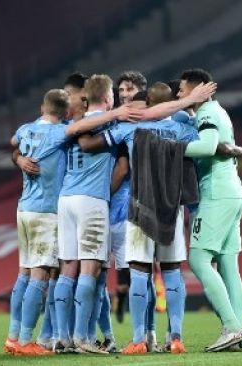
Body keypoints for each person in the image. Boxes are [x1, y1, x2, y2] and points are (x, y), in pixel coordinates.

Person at [77, 81, 219, 354]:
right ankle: (175, 337)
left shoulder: (131, 127)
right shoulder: (182, 128)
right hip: (172, 208)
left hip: (140, 206)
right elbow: (207, 146)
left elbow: (91, 143)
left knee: (140, 272)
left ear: (148, 104)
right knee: (172, 272)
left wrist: (80, 133)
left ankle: (139, 339)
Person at [4, 87, 135, 356]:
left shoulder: (25, 128)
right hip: (46, 211)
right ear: (65, 113)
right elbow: (83, 129)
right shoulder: (58, 132)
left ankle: (13, 336)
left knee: (24, 274)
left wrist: (19, 159)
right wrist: (117, 113)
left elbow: (12, 143)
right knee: (40, 276)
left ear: (42, 108)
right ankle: (26, 341)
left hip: (24, 209)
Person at [170, 69, 242, 353]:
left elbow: (206, 147)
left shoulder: (206, 112)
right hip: (233, 191)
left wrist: (171, 147)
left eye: (181, 90)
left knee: (199, 259)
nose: (179, 95)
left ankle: (231, 327)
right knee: (229, 265)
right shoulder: (220, 111)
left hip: (216, 194)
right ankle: (238, 330)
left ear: (196, 89)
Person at [113, 70, 148, 325]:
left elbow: (123, 168)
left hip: (133, 202)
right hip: (113, 204)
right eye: (121, 90)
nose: (125, 94)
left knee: (140, 268)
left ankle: (146, 334)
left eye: (130, 89)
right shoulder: (112, 120)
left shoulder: (149, 120)